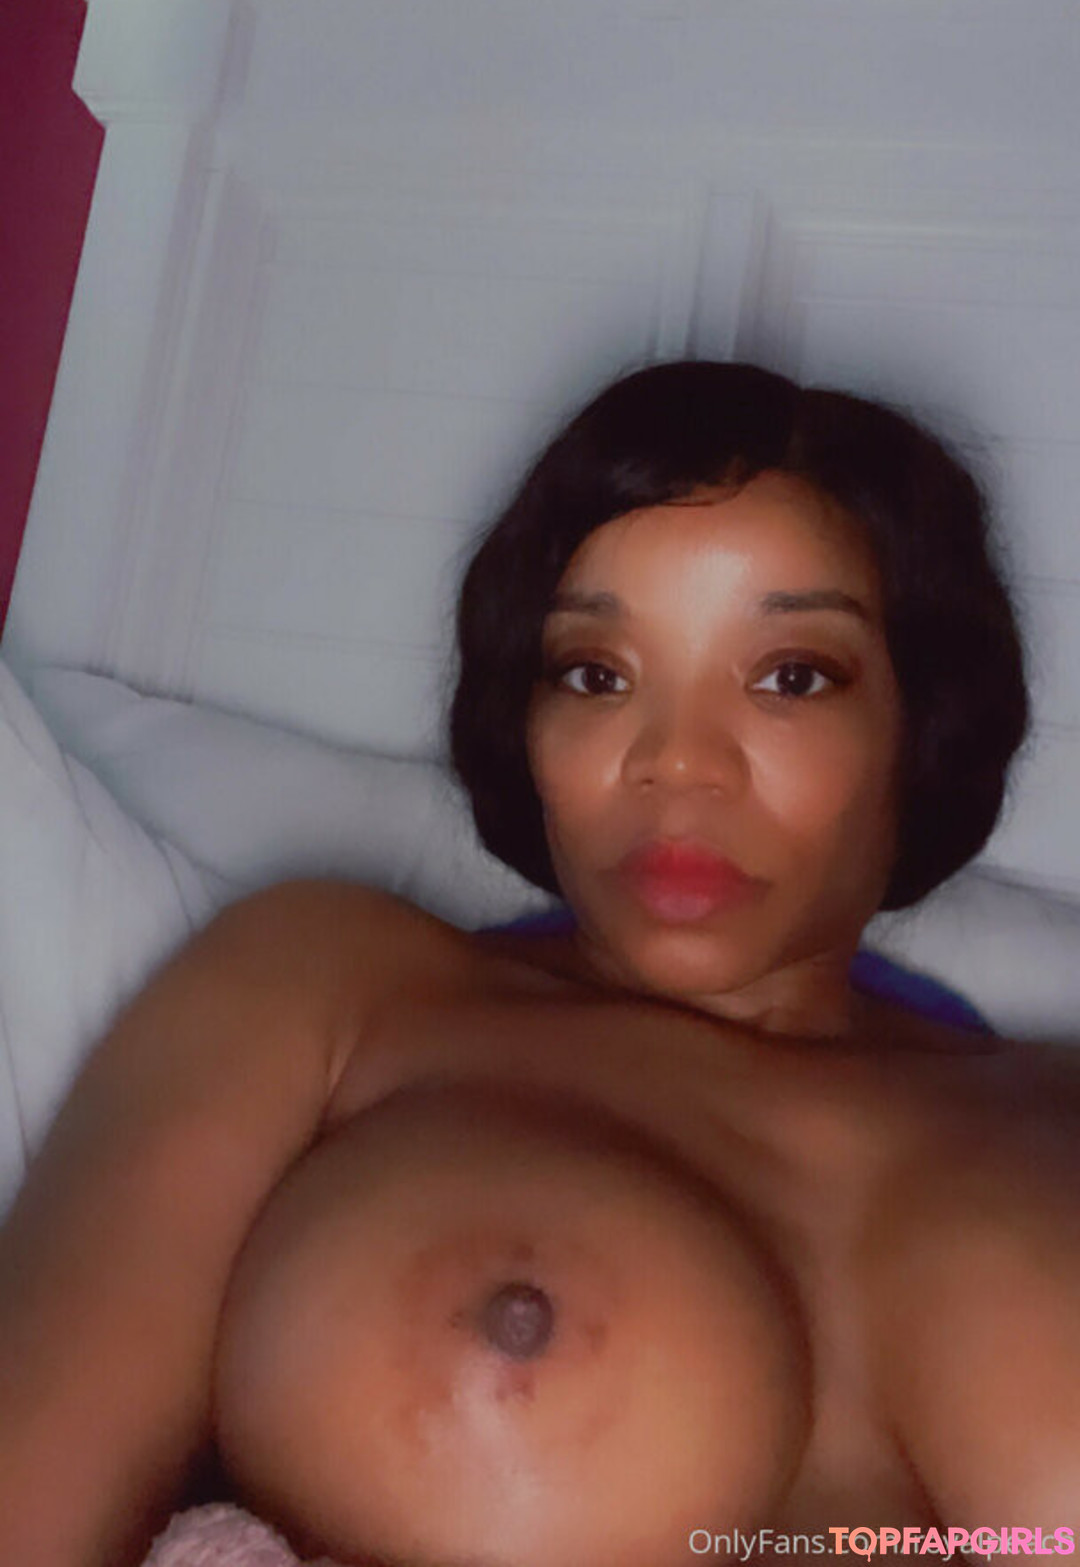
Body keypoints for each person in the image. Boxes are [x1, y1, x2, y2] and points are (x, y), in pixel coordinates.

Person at [0, 360, 1076, 1567]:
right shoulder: (334, 987)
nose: (678, 761)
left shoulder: (1055, 1109)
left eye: (790, 675)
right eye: (595, 673)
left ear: (920, 719)